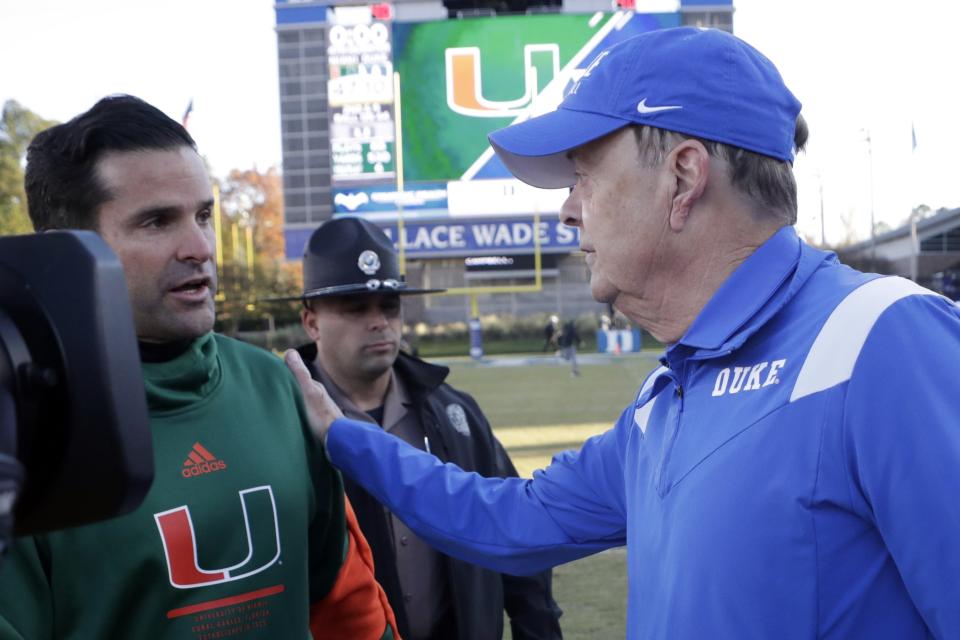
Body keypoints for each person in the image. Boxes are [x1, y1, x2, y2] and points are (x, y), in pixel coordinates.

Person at [285, 27, 960, 639]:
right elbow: (508, 519)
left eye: (583, 175)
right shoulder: (666, 398)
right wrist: (347, 437)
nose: (568, 212)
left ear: (684, 176)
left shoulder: (883, 342)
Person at [0, 95, 398, 639]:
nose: (200, 247)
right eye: (157, 221)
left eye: (204, 215)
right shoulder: (18, 427)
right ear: (66, 252)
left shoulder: (278, 386)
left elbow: (346, 605)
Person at [281, 217, 563, 640]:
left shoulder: (455, 414)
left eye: (389, 306)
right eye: (356, 307)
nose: (379, 322)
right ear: (312, 322)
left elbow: (515, 533)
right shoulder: (282, 423)